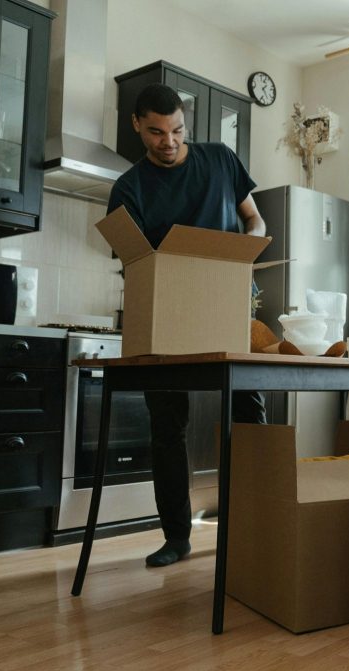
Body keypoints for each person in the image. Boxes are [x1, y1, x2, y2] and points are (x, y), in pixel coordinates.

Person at [106, 83, 267, 567]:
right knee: (167, 425)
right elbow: (133, 260)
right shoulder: (127, 189)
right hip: (166, 311)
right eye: (156, 132)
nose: (169, 141)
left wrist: (247, 249)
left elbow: (254, 221)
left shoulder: (220, 159)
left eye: (177, 130)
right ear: (138, 126)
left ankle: (255, 522)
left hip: (228, 299)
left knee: (249, 411)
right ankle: (177, 537)